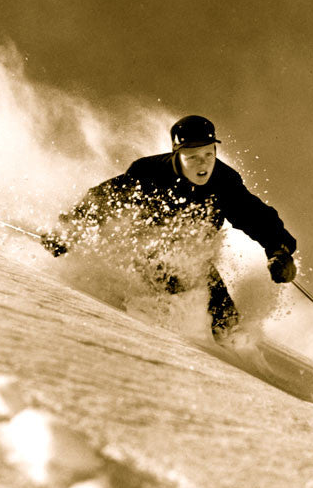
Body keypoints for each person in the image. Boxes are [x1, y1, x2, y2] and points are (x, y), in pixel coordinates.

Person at [41, 115, 297, 340]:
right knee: (174, 282)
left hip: (194, 259)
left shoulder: (224, 182)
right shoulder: (149, 172)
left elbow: (257, 216)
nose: (203, 164)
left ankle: (232, 358)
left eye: (209, 154)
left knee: (227, 323)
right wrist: (69, 230)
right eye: (193, 157)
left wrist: (279, 250)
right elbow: (104, 198)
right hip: (147, 248)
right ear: (177, 154)